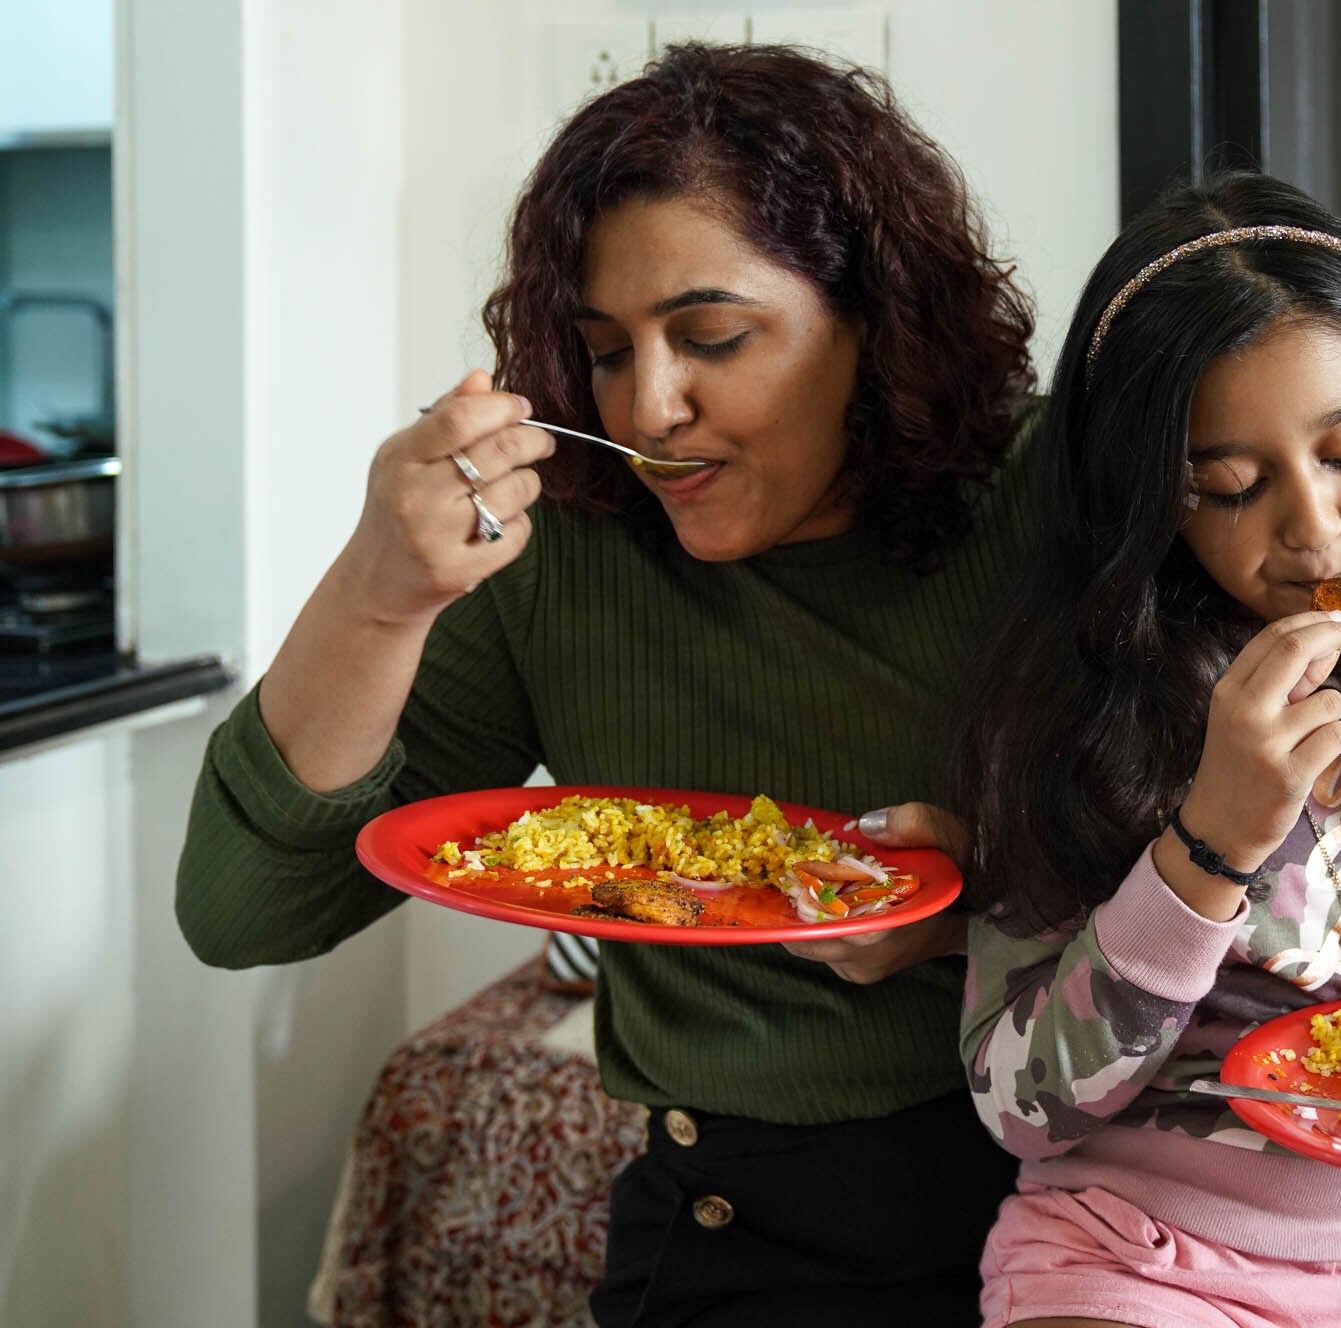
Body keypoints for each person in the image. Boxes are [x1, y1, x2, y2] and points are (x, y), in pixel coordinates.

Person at [174, 43, 1044, 1328]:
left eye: (711, 337)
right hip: (726, 1229)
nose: (651, 408)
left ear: (874, 316)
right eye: (604, 352)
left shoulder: (1047, 503)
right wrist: (376, 589)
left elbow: (1290, 891)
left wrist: (988, 916)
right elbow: (244, 910)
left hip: (1083, 1213)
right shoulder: (570, 551)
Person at [946, 172, 1341, 1328]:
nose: (1313, 528)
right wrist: (1210, 844)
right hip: (1140, 1256)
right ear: (1153, 497)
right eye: (1230, 487)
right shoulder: (1073, 692)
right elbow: (1018, 1104)